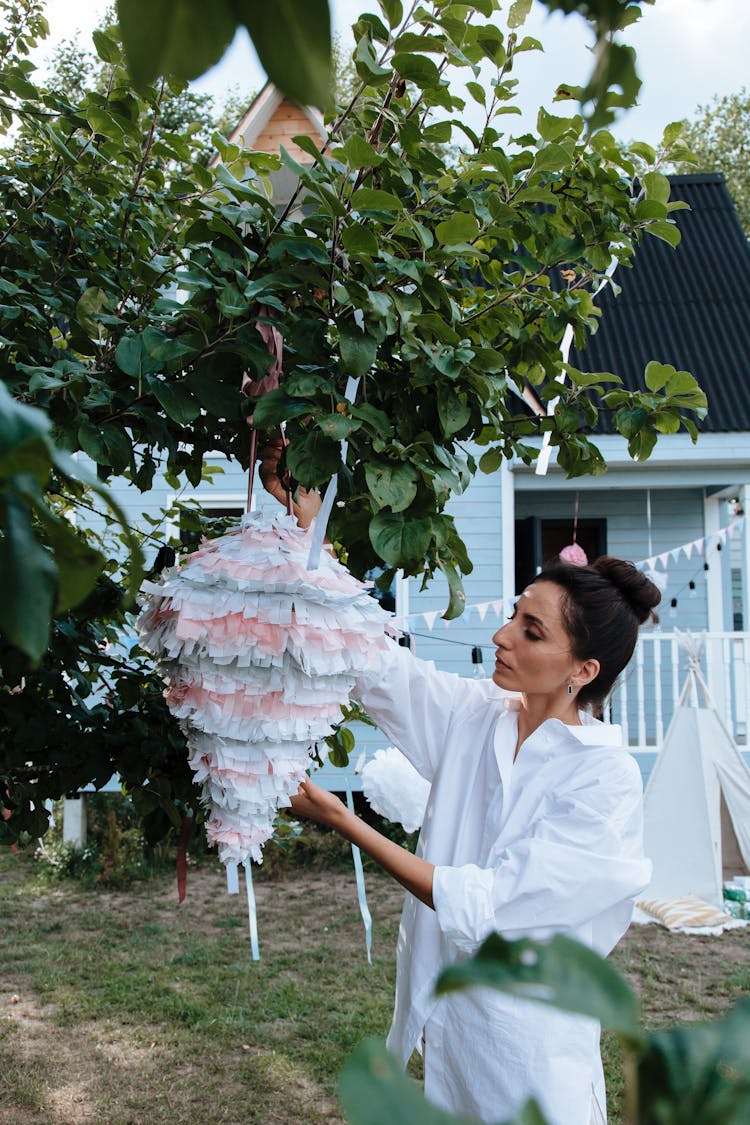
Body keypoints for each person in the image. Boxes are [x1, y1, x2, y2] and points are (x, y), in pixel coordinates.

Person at [259, 446, 659, 1125]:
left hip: (527, 1054)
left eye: (530, 631)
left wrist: (344, 820)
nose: (501, 635)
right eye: (513, 614)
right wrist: (304, 532)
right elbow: (374, 659)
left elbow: (489, 902)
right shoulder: (478, 715)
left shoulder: (605, 778)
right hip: (445, 1025)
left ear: (581, 670)